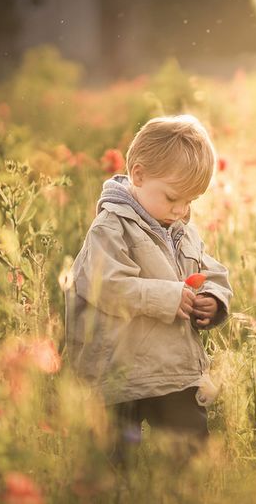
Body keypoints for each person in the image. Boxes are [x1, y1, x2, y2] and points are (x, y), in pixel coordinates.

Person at [63, 114, 232, 466]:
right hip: (118, 372)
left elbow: (209, 269)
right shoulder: (110, 228)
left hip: (171, 370)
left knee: (189, 449)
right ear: (139, 176)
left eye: (190, 201)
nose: (182, 209)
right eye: (173, 197)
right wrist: (169, 297)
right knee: (114, 462)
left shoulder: (181, 227)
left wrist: (214, 299)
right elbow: (106, 286)